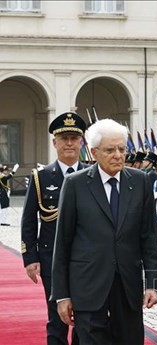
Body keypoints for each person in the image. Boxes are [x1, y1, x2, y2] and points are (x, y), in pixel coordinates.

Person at [50, 118, 157, 345]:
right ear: (93, 152)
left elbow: (149, 238)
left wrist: (153, 283)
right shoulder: (75, 184)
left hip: (128, 288)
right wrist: (62, 295)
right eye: (110, 150)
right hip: (88, 288)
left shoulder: (140, 182)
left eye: (122, 149)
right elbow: (62, 244)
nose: (118, 155)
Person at [21, 111, 87, 345]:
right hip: (51, 258)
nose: (69, 143)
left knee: (85, 319)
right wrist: (30, 257)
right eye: (64, 138)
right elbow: (29, 219)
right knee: (56, 318)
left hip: (85, 259)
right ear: (54, 142)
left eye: (73, 138)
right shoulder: (41, 177)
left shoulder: (92, 175)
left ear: (81, 142)